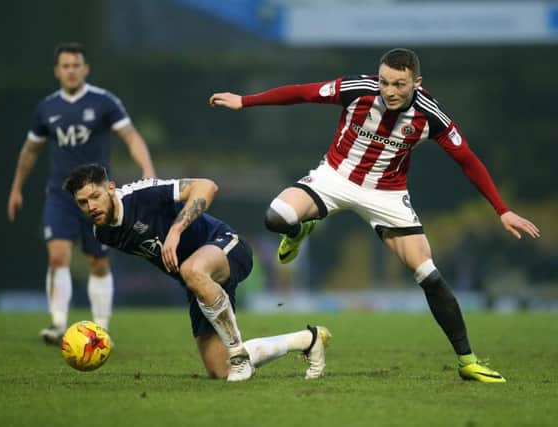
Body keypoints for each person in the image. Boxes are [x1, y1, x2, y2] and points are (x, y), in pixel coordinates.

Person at [209, 48, 541, 383]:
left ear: (416, 83)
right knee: (276, 216)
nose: (390, 91)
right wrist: (245, 101)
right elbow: (302, 92)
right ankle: (300, 229)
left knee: (428, 274)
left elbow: (467, 159)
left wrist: (502, 209)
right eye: (385, 82)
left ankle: (467, 361)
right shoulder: (358, 89)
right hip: (335, 178)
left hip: (387, 194)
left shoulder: (430, 115)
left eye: (399, 84)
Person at [63, 163, 331, 381]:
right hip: (198, 284)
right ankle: (308, 339)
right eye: (82, 203)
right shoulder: (103, 232)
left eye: (95, 196)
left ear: (110, 188)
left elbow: (207, 186)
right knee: (219, 371)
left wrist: (175, 231)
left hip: (227, 247)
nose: (91, 207)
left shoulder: (140, 195)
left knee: (192, 269)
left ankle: (238, 355)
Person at [7, 42, 156, 344]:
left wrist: (148, 169)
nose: (71, 70)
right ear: (57, 71)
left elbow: (130, 135)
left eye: (76, 65)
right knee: (58, 256)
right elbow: (30, 151)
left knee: (98, 261)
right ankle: (58, 324)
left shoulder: (104, 102)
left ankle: (100, 327)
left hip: (98, 197)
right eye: (66, 66)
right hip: (60, 195)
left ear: (85, 69)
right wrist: (16, 188)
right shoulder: (46, 108)